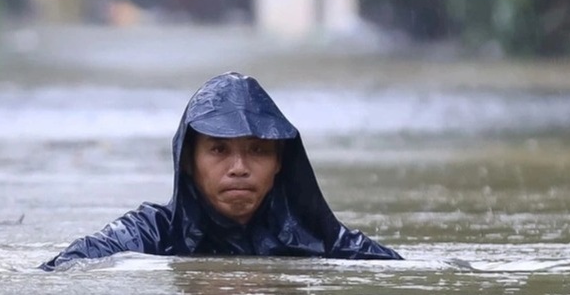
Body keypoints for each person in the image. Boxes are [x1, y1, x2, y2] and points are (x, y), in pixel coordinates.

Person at [40, 72, 401, 270]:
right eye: (219, 150)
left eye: (258, 150)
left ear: (279, 162)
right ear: (188, 160)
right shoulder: (151, 233)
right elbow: (65, 268)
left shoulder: (318, 240)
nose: (239, 168)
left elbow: (407, 272)